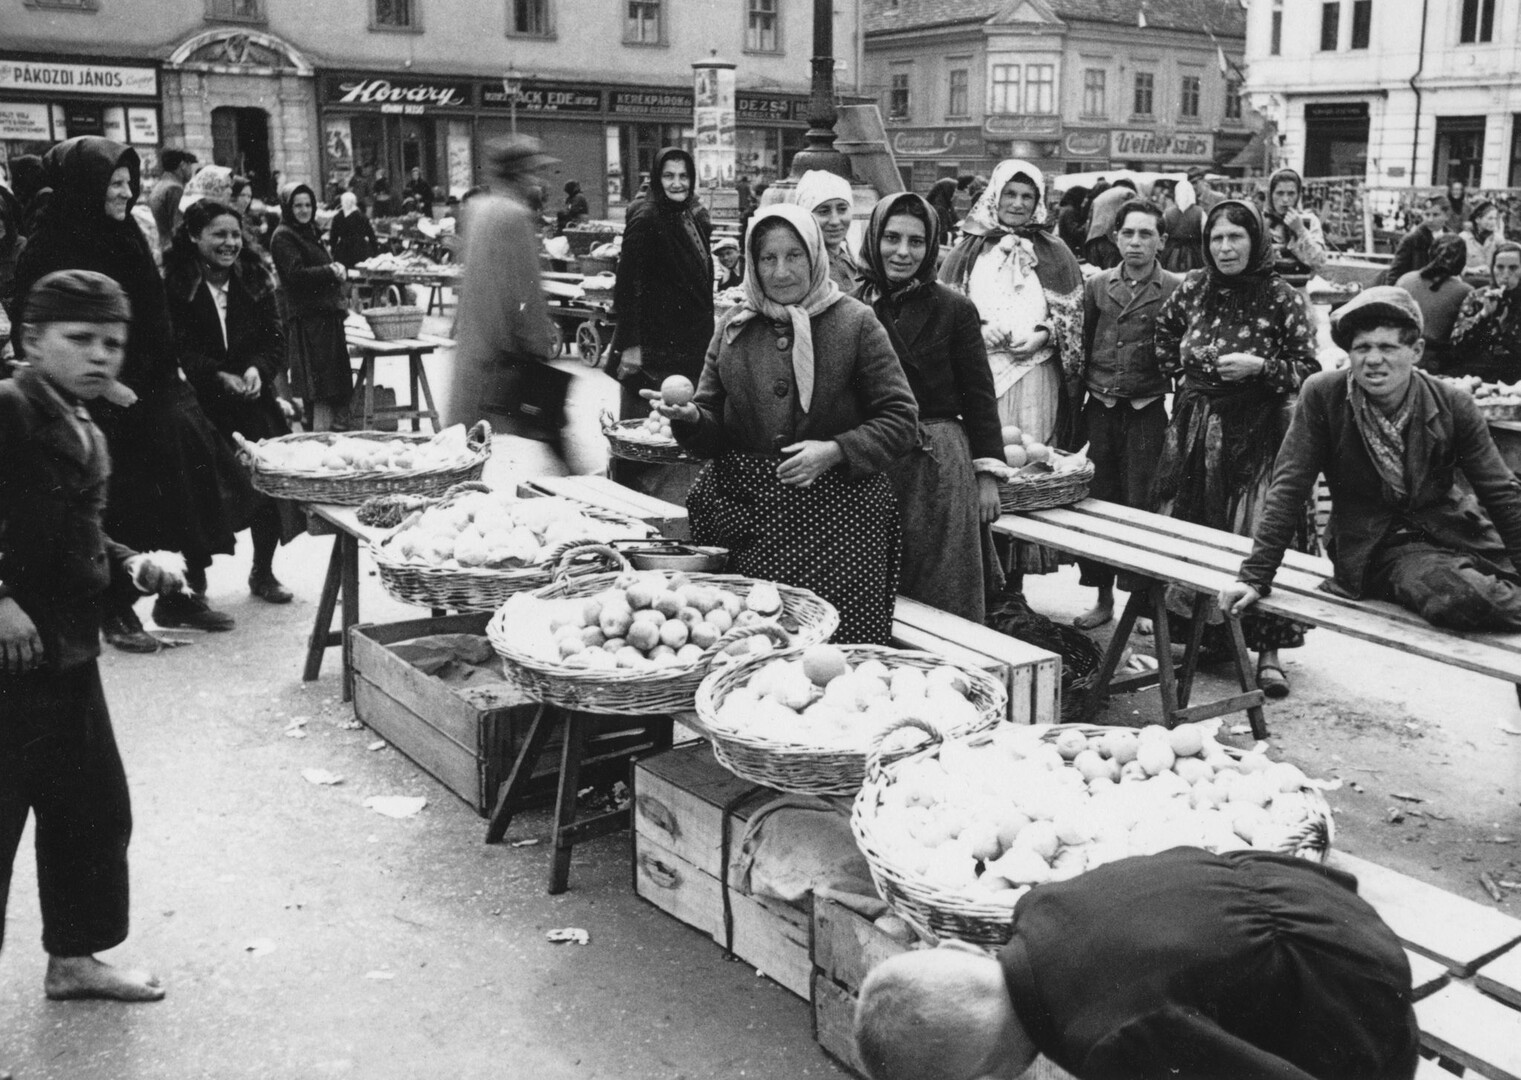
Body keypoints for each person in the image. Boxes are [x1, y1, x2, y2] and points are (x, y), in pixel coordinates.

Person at [1, 271, 196, 1016]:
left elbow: (68, 528)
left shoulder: (75, 416)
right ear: (31, 339)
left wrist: (127, 564)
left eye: (111, 342)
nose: (99, 356)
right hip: (8, 662)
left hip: (66, 653)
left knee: (90, 809)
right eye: (77, 339)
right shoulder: (8, 408)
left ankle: (74, 959)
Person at [853, 846, 1420, 1080]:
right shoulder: (1042, 907)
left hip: (1352, 987)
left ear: (995, 1074)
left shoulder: (1111, 1041)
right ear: (959, 951)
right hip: (1312, 898)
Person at [10, 136, 246, 650]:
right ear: (85, 185)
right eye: (113, 184)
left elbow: (153, 310)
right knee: (122, 502)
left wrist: (171, 370)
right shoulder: (52, 242)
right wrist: (109, 386)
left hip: (152, 383)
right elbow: (29, 331)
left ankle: (180, 591)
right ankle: (115, 609)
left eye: (127, 182)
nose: (124, 193)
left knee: (189, 474)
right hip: (99, 397)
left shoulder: (127, 235)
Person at [650, 204, 918, 645]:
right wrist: (691, 418)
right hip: (750, 519)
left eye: (794, 256)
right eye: (767, 259)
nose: (781, 272)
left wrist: (835, 450)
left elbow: (901, 418)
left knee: (834, 654)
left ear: (815, 256)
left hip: (839, 524)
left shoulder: (855, 323)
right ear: (752, 264)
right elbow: (712, 429)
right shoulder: (733, 327)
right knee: (754, 646)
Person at [1222, 286, 1521, 637]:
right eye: (1362, 348)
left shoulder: (1452, 403)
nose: (1373, 359)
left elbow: (1500, 492)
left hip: (1457, 530)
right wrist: (1254, 578)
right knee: (1461, 597)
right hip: (1380, 548)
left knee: (1491, 581)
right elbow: (1289, 487)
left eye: (1388, 347)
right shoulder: (1323, 394)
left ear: (1417, 351)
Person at [1151, 199, 1319, 698]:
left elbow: (1309, 369)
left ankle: (1268, 653)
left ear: (1256, 241)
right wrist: (1183, 372)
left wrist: (1260, 369)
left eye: (1236, 238)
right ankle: (1210, 637)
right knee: (1200, 529)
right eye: (1216, 239)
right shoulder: (1194, 288)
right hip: (1199, 429)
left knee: (1261, 533)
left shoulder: (1283, 297)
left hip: (1262, 433)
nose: (1225, 248)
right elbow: (1165, 333)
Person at [855, 191, 1004, 623]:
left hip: (937, 462)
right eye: (892, 238)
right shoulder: (851, 305)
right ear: (874, 238)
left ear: (931, 246)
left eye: (916, 242)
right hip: (874, 456)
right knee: (875, 577)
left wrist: (987, 475)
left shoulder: (954, 308)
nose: (902, 252)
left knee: (942, 583)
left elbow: (979, 394)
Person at [941, 158, 1085, 584]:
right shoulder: (968, 251)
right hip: (982, 377)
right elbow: (947, 311)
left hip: (1036, 375)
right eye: (1011, 194)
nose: (1018, 204)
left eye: (1028, 196)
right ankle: (983, 575)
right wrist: (978, 330)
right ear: (995, 196)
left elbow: (1073, 318)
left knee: (1027, 468)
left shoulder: (1056, 252)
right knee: (985, 468)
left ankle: (1016, 583)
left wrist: (1044, 334)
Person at [164, 200, 302, 604]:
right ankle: (196, 580)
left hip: (252, 398)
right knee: (199, 490)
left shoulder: (255, 278)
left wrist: (259, 369)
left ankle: (263, 571)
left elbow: (275, 336)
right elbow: (174, 345)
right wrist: (214, 374)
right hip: (199, 402)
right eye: (218, 234)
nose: (229, 243)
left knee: (267, 485)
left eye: (235, 235)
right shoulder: (175, 284)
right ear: (193, 236)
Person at [1074, 200, 1184, 630]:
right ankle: (1102, 599)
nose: (1136, 243)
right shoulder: (1097, 285)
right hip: (1100, 410)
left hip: (1146, 413)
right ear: (1115, 237)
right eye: (1128, 234)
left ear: (1162, 241)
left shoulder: (1175, 287)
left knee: (1142, 505)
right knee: (1098, 500)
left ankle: (1141, 603)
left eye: (1146, 234)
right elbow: (1081, 346)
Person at [607, 146, 714, 498]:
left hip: (686, 346)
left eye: (683, 176)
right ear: (656, 178)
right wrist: (631, 344)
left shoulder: (690, 215)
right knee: (644, 439)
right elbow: (628, 284)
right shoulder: (647, 216)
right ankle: (632, 506)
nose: (677, 183)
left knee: (675, 437)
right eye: (669, 176)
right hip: (652, 349)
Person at [445, 137, 563, 451]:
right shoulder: (515, 216)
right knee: (524, 450)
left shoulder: (477, 208)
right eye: (533, 172)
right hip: (502, 358)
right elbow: (529, 290)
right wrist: (538, 345)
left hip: (474, 349)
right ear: (520, 173)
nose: (537, 180)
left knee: (467, 448)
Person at [270, 181, 351, 431]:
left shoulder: (308, 231)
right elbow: (295, 275)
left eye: (308, 205)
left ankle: (326, 431)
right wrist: (331, 271)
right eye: (297, 206)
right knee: (321, 384)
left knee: (329, 381)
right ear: (287, 207)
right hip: (310, 319)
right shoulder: (284, 236)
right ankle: (320, 435)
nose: (304, 210)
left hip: (325, 315)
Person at [1395, 234, 1472, 372]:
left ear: (1430, 253)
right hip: (1435, 363)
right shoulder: (1465, 291)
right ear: (1462, 261)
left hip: (1399, 354)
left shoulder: (1405, 280)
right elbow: (1465, 338)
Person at [1448, 241, 1521, 384]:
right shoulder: (1477, 297)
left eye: (1513, 268)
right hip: (1479, 374)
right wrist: (1484, 315)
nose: (1505, 274)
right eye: (1500, 267)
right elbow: (1457, 345)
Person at [795, 169, 859, 292]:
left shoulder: (851, 259)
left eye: (842, 209)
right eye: (824, 211)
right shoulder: (804, 267)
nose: (835, 221)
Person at [1263, 167, 1329, 276]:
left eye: (1291, 193)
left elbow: (1319, 262)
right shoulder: (1260, 221)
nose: (1285, 200)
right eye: (1279, 193)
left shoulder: (1309, 220)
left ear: (1298, 195)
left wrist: (1300, 230)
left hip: (1299, 288)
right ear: (1270, 195)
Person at [1383, 195, 1450, 284]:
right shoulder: (1412, 240)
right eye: (1427, 214)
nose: (1430, 219)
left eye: (1435, 215)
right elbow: (1394, 275)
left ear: (1447, 216)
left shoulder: (1452, 241)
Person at [147, 147, 196, 254]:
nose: (191, 170)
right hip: (175, 250)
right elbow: (179, 226)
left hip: (164, 246)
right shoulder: (175, 189)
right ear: (183, 165)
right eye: (190, 165)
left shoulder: (160, 186)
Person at [1082, 178, 1137, 270]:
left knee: (1096, 278)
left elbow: (1089, 222)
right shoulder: (1129, 193)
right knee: (1113, 278)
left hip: (1093, 242)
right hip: (1111, 242)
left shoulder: (1099, 197)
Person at [1159, 179, 1206, 274]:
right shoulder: (1200, 213)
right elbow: (1205, 235)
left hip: (1171, 255)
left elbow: (1161, 234)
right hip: (1195, 255)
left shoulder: (1167, 213)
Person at [328, 190, 378, 270]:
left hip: (343, 252)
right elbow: (371, 235)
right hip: (360, 250)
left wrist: (333, 251)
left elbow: (333, 237)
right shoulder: (362, 217)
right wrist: (375, 251)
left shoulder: (338, 217)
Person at [1460, 198, 1506, 272]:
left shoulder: (1498, 239)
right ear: (1477, 220)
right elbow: (1455, 266)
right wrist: (1471, 270)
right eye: (1490, 218)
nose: (1493, 222)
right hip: (1468, 280)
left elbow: (1505, 265)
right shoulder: (1463, 238)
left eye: (1495, 218)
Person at [925, 178, 958, 246]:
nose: (955, 194)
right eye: (954, 191)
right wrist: (957, 234)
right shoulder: (939, 209)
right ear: (948, 191)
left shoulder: (945, 205)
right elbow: (941, 236)